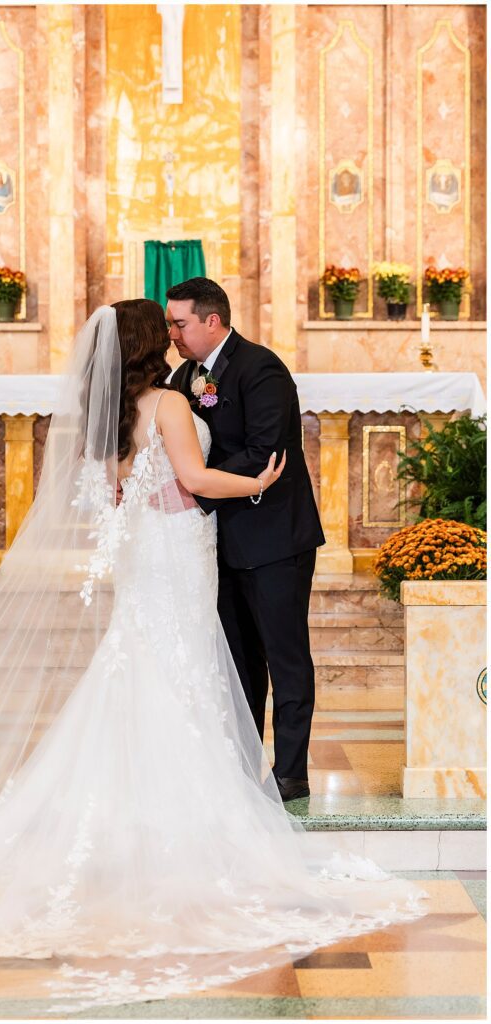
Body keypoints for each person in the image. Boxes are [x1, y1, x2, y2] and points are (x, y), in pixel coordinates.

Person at [0, 301, 426, 1016]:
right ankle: (190, 817)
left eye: (178, 326)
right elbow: (195, 480)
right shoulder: (167, 400)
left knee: (145, 668)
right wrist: (257, 483)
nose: (171, 338)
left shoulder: (110, 416)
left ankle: (140, 813)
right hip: (178, 553)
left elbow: (120, 489)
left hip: (146, 558)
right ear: (144, 345)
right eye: (159, 330)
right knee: (179, 666)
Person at [167, 277, 324, 803]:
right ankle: (240, 762)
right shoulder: (186, 374)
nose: (173, 333)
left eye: (180, 323)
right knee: (238, 661)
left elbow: (265, 453)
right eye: (169, 324)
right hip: (223, 542)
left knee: (284, 656)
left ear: (212, 321)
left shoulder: (262, 369)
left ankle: (292, 772)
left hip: (275, 536)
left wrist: (194, 488)